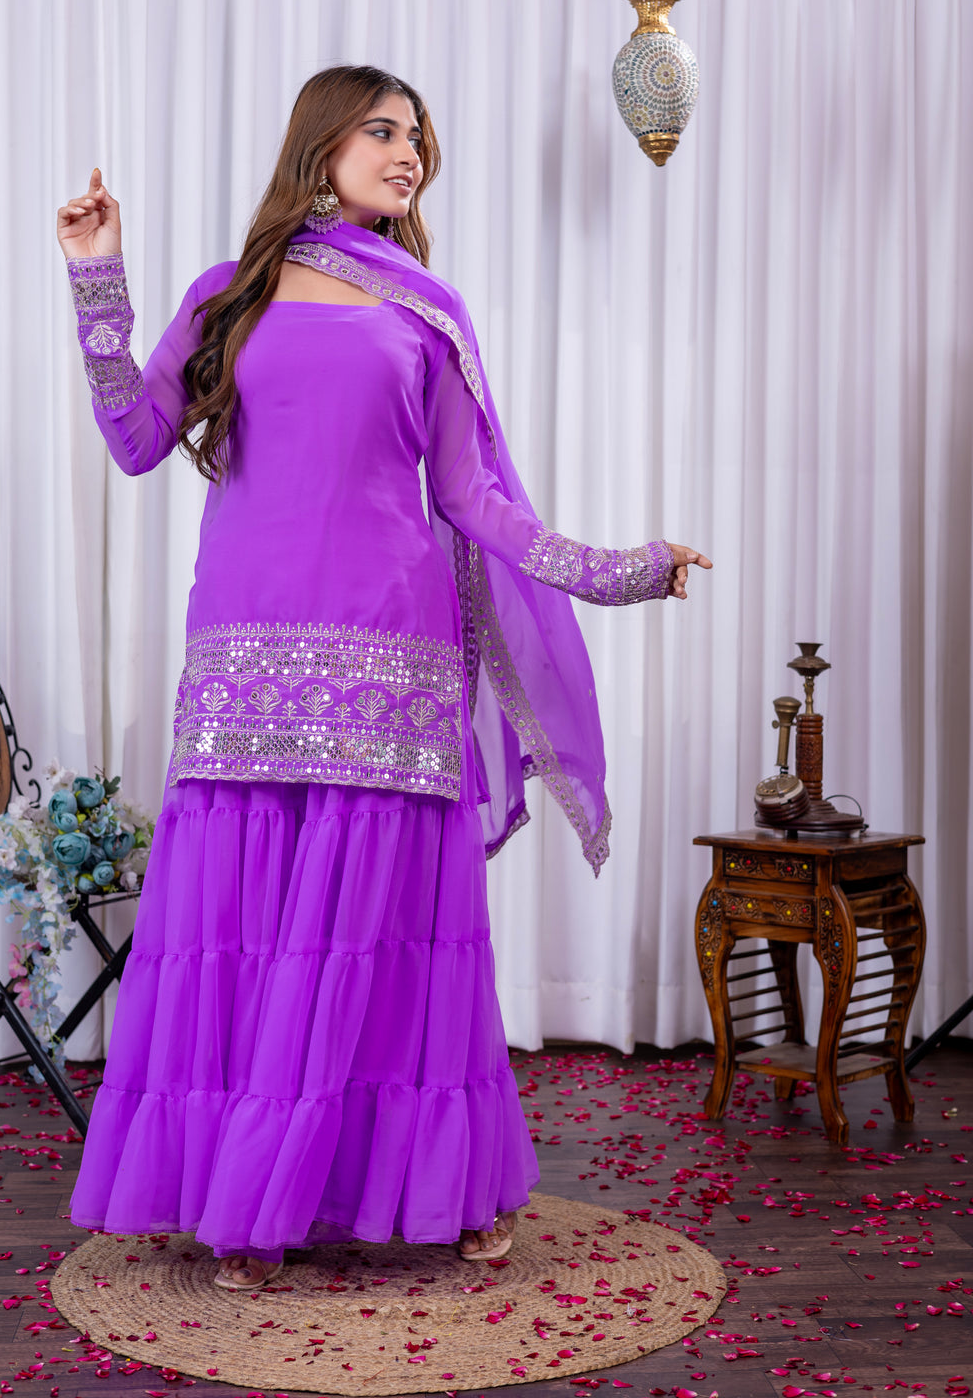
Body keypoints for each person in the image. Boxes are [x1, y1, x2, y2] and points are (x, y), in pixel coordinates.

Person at [56, 64, 711, 1291]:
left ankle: (438, 1191)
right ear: (323, 144)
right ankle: (241, 1200)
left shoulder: (426, 312)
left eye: (418, 135)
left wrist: (625, 569)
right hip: (246, 664)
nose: (409, 152)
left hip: (391, 666)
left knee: (388, 944)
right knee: (247, 939)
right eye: (383, 130)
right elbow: (137, 442)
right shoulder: (228, 294)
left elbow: (474, 505)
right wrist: (99, 275)